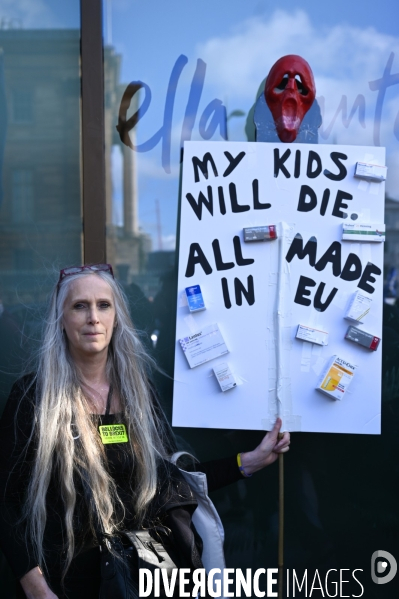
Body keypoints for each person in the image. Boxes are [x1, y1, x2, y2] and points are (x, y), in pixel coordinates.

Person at [0, 264, 290, 599]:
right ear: (61, 319)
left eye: (103, 305)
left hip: (147, 578)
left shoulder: (139, 392)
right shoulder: (33, 398)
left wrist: (248, 462)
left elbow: (175, 480)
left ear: (117, 318)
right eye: (80, 306)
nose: (93, 317)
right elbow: (7, 503)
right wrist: (36, 588)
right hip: (70, 582)